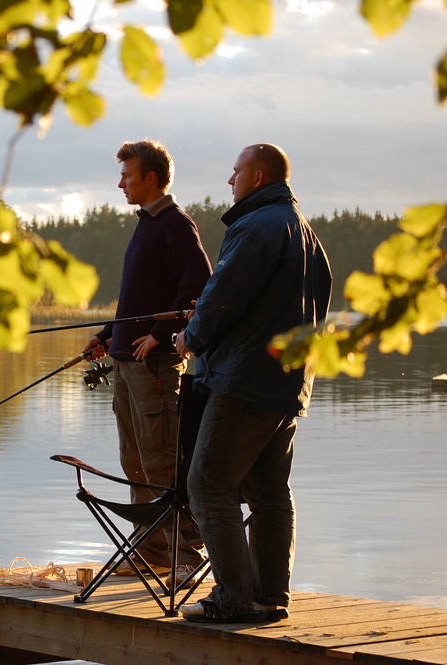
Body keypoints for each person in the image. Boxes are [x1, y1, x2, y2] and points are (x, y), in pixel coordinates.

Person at [174, 144, 332, 623]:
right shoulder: (306, 234)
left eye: (236, 172)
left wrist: (191, 337)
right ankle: (269, 597)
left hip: (244, 380)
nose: (230, 181)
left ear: (258, 177)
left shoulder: (255, 226)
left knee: (207, 484)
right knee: (268, 492)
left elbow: (224, 297)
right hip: (288, 385)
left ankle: (232, 599)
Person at [81, 139, 212, 588]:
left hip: (155, 367)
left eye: (127, 175)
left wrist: (158, 334)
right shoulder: (144, 225)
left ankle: (187, 557)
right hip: (125, 365)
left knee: (162, 464)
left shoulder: (176, 225)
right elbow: (139, 300)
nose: (120, 183)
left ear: (150, 178)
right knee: (134, 462)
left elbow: (199, 289)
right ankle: (153, 553)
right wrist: (105, 335)